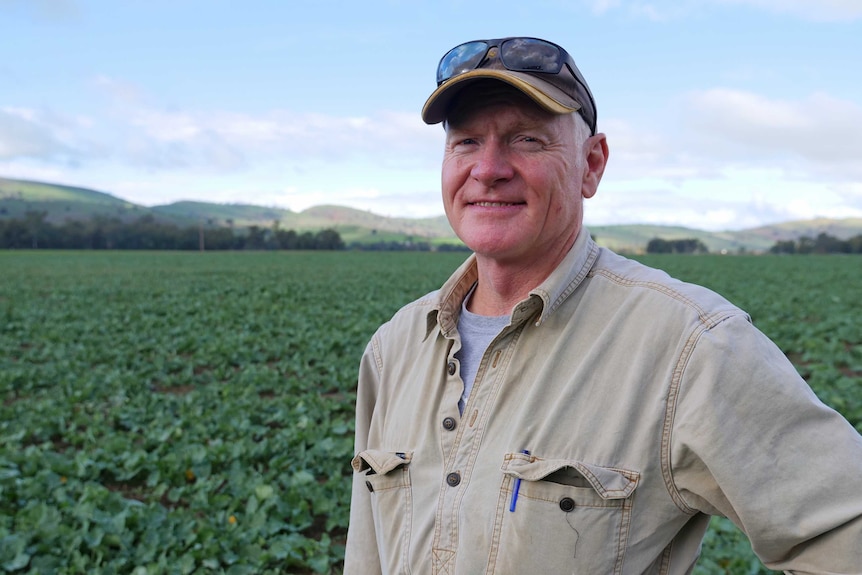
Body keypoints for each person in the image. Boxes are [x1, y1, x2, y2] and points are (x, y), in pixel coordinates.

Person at [344, 37, 862, 574]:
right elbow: (366, 556)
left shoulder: (690, 343)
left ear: (592, 164)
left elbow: (846, 534)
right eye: (467, 142)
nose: (489, 168)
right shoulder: (395, 346)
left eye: (527, 139)